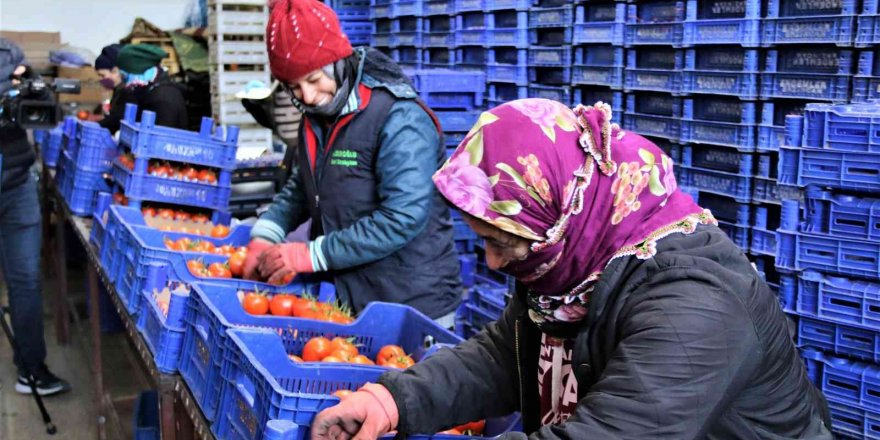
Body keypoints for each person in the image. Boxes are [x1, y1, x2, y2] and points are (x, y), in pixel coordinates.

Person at [310, 99, 834, 439]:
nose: (491, 263)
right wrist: (392, 400)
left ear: (561, 215)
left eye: (499, 243)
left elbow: (615, 433)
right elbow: (506, 357)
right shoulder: (565, 267)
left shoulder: (695, 306)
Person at [241, 0, 462, 326]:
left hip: (410, 307)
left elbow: (402, 217)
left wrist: (309, 254)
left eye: (315, 79)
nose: (308, 96)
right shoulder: (315, 118)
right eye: (294, 87)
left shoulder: (398, 117)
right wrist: (266, 234)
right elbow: (302, 189)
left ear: (339, 60)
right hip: (347, 299)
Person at [0, 37, 71, 396]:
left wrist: (35, 85)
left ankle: (31, 369)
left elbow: (44, 111)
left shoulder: (10, 54)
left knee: (26, 280)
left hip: (16, 186)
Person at [115, 44, 188, 130]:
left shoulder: (162, 97)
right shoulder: (152, 90)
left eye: (125, 75)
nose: (126, 82)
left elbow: (162, 137)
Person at [94, 43, 135, 134]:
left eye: (102, 75)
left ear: (115, 71)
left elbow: (114, 121)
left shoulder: (129, 92)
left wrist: (94, 127)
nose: (101, 79)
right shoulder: (118, 90)